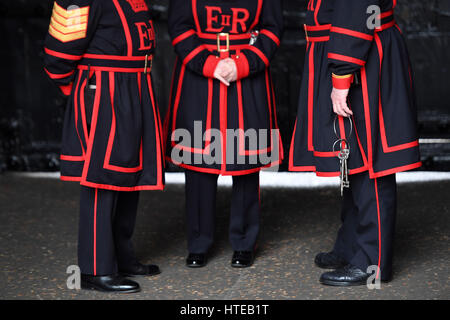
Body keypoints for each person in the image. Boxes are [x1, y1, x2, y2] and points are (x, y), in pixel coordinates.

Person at [289, 0, 421, 286]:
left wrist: (341, 77)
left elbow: (355, 10)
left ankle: (370, 263)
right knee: (351, 158)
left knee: (369, 160)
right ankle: (351, 245)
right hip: (347, 52)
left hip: (360, 57)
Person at [43, 0, 165, 293]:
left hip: (135, 86)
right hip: (105, 92)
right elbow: (57, 55)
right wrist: (87, 89)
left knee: (128, 174)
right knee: (102, 179)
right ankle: (94, 269)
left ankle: (121, 257)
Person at [165, 0, 284, 268]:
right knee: (197, 162)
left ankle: (244, 242)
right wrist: (207, 63)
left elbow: (272, 28)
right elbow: (179, 25)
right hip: (198, 76)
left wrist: (242, 64)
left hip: (248, 78)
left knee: (245, 162)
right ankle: (198, 243)